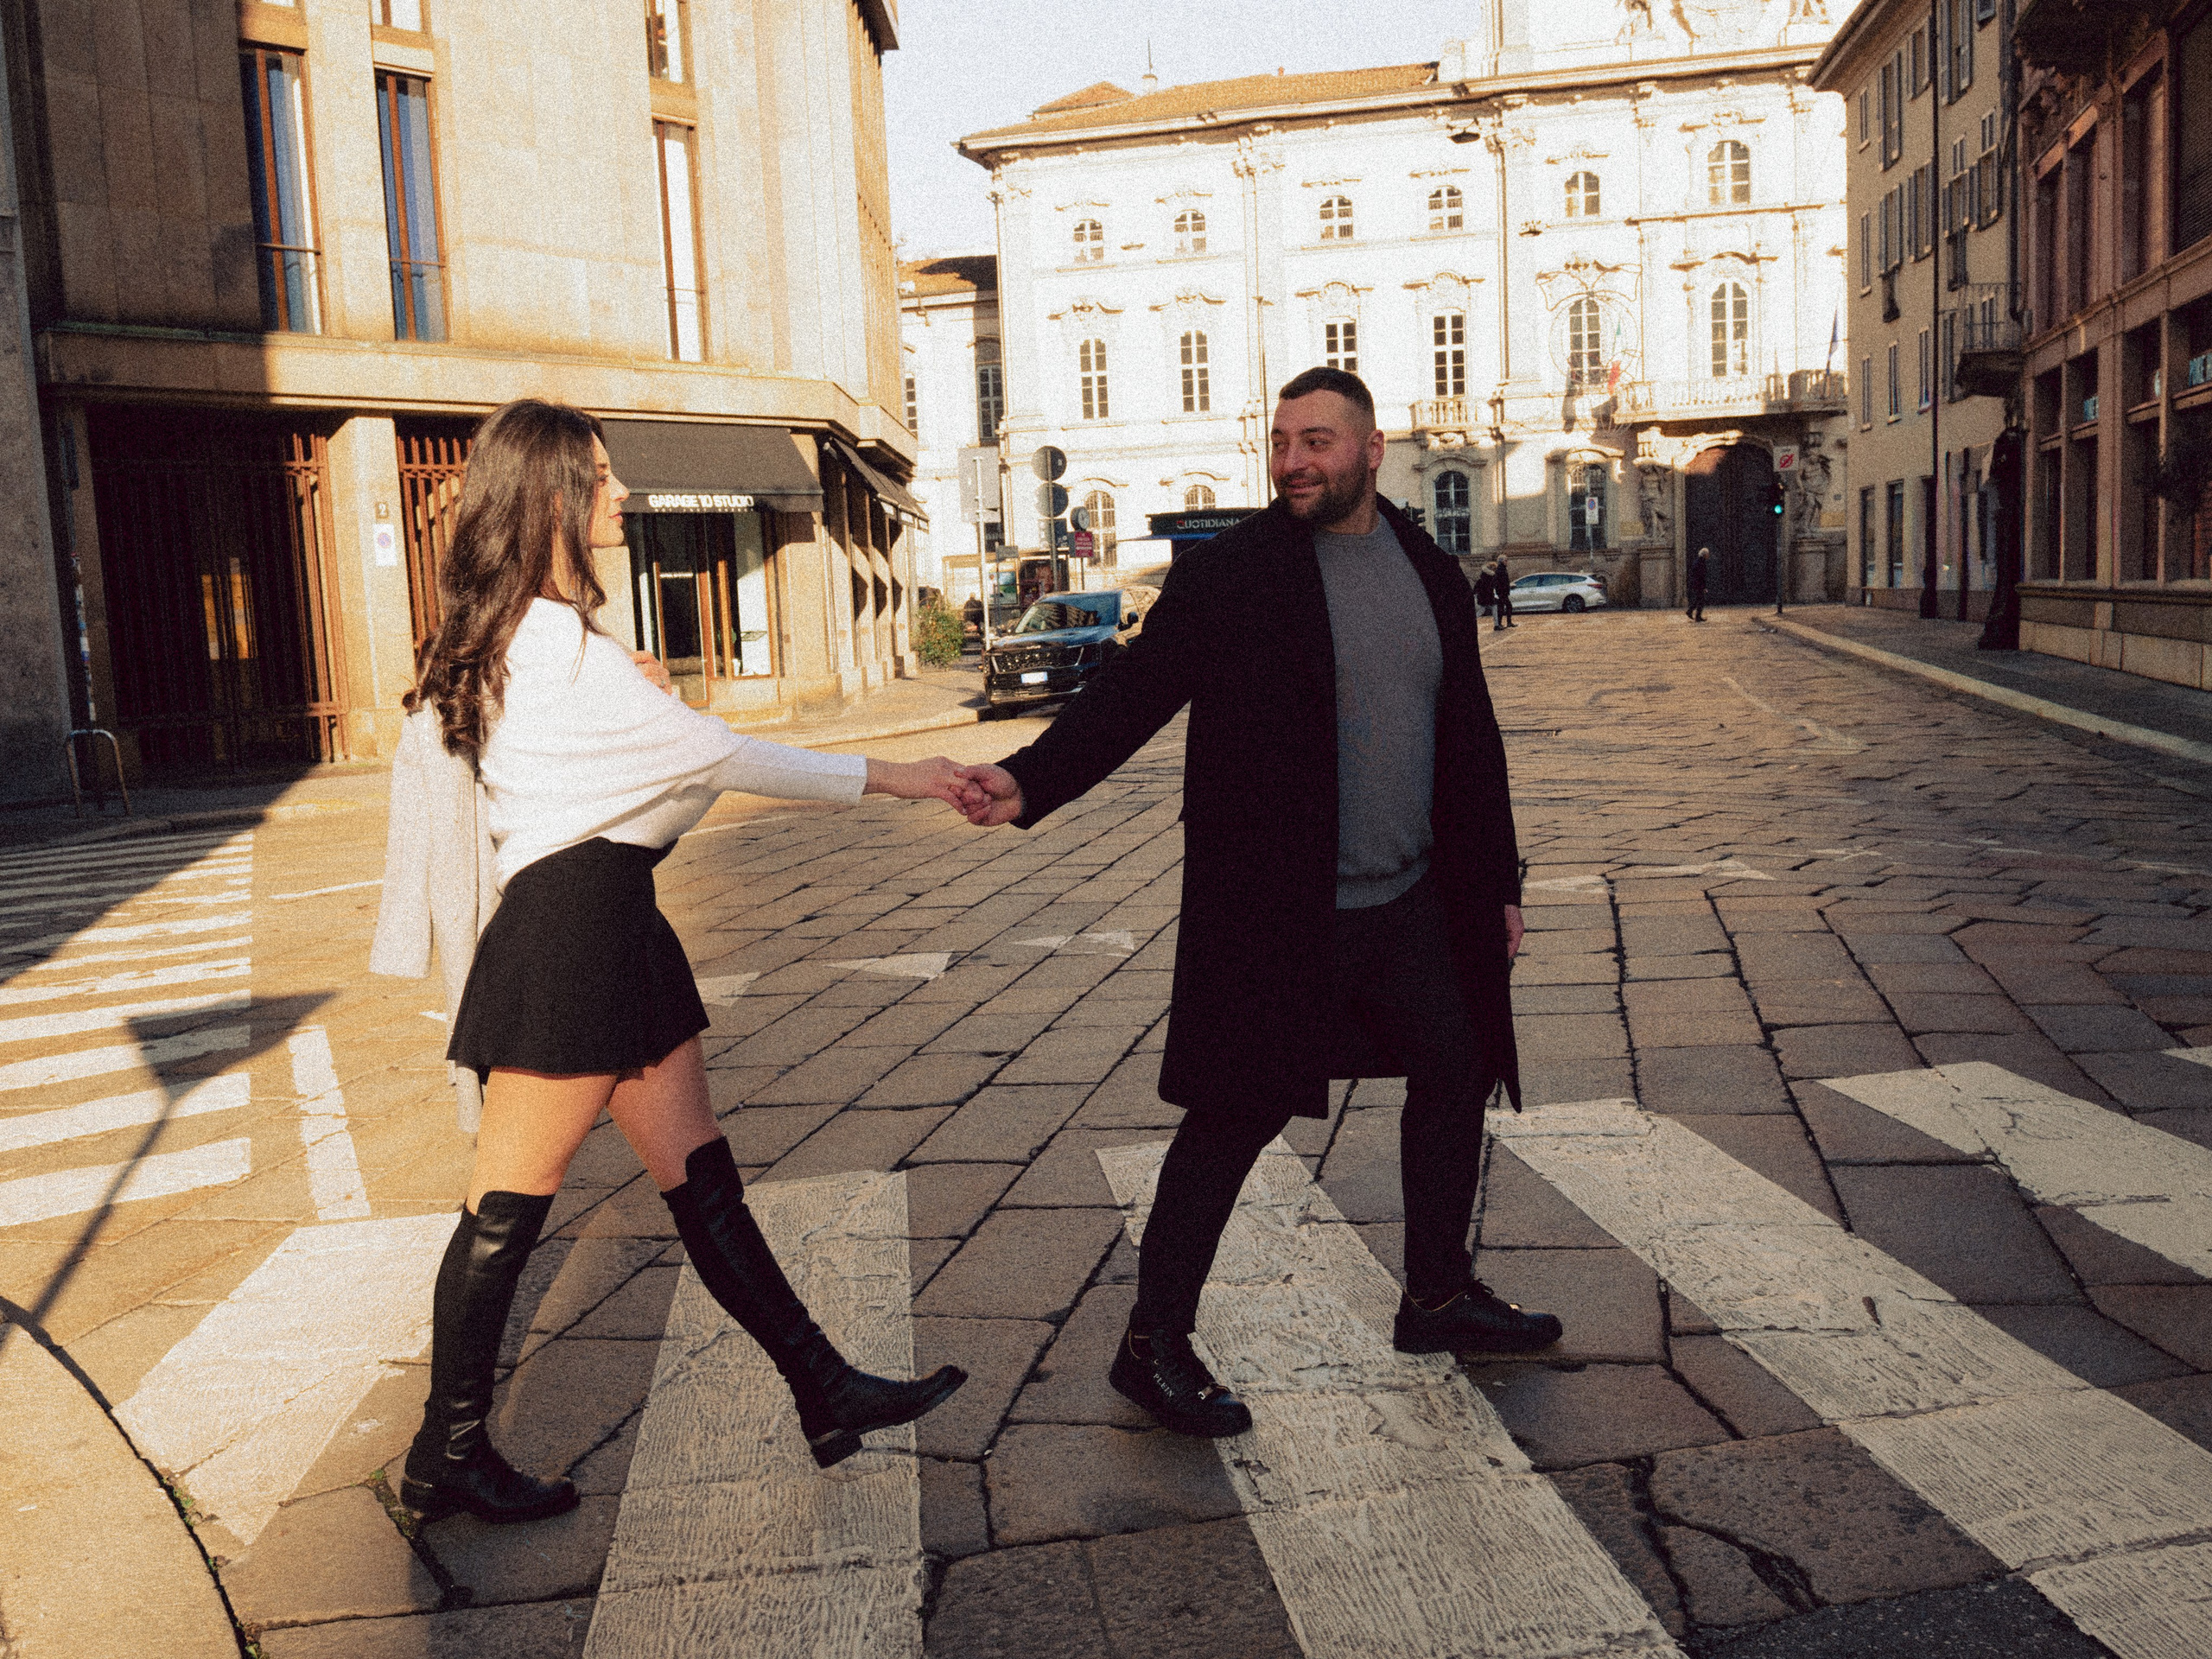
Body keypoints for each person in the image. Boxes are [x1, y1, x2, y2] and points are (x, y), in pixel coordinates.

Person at [374, 398, 972, 1526]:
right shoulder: (551, 647)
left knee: (701, 1178)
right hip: (571, 941)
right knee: (504, 1209)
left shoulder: (547, 640)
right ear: (550, 497)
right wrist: (916, 776)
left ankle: (824, 1386)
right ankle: (446, 1452)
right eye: (600, 479)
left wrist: (654, 708)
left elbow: (670, 791)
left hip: (614, 925)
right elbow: (730, 761)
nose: (622, 494)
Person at [954, 367, 1561, 1440]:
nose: (1292, 461)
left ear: (1370, 450)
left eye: (1316, 441)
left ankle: (1435, 1296)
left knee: (1458, 1064)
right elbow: (1136, 691)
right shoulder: (1234, 572)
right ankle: (1151, 1344)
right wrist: (1029, 779)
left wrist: (1496, 880)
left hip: (1413, 897)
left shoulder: (1426, 566)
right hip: (1282, 911)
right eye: (1281, 441)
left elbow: (1469, 732)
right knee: (1235, 1114)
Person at [1472, 560, 1500, 630]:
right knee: (1494, 608)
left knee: (1482, 610)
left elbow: (1475, 589)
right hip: (1489, 597)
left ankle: (1471, 621)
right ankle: (1496, 625)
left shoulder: (1481, 578)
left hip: (1482, 597)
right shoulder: (1492, 577)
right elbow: (1493, 587)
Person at [1687, 545, 1711, 622]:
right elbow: (1701, 576)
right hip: (1698, 584)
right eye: (1707, 554)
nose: (1708, 556)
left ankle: (1690, 612)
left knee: (1698, 600)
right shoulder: (1700, 563)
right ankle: (1697, 616)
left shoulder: (1699, 561)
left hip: (1696, 584)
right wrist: (1703, 587)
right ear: (1704, 555)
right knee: (1701, 601)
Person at [1492, 552, 1516, 627]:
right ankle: (1501, 624)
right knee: (1506, 607)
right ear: (1502, 561)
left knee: (1502, 608)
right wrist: (1503, 590)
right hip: (1502, 592)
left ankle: (1502, 623)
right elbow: (1499, 582)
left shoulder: (1502, 569)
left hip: (1503, 592)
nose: (1507, 562)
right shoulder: (1500, 570)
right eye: (1505, 560)